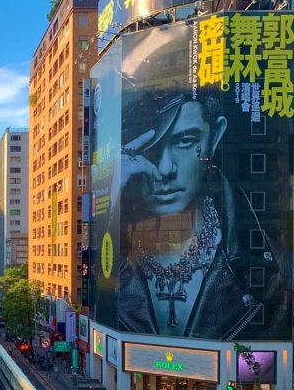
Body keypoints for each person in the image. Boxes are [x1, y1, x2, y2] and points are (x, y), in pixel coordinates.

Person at [107, 90, 288, 339]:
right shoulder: (110, 256)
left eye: (184, 141)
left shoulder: (265, 266)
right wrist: (110, 206)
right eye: (149, 149)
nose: (164, 169)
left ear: (214, 138)